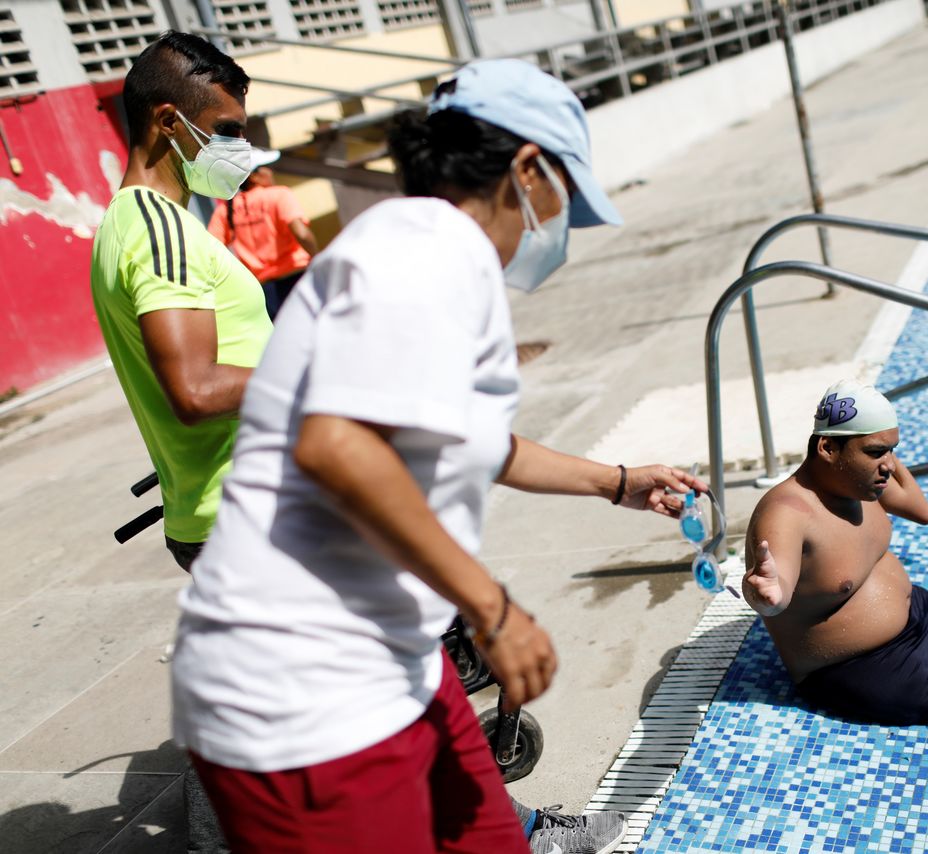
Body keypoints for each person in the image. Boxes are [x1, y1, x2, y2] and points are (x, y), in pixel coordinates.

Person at [170, 58, 710, 854]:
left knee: (493, 838)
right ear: (527, 168)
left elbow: (470, 439)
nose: (554, 223)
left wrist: (617, 482)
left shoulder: (417, 249)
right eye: (563, 195)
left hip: (392, 658)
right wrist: (491, 609)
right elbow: (337, 445)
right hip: (301, 696)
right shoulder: (426, 253)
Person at [89, 30, 271, 854]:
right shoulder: (157, 231)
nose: (241, 148)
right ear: (170, 121)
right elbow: (194, 389)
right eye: (227, 130)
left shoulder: (146, 225)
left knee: (264, 727)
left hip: (235, 511)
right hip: (245, 517)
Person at [742, 381, 928, 726]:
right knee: (924, 698)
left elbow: (923, 512)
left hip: (910, 610)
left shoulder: (860, 480)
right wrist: (765, 594)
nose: (889, 465)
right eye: (876, 451)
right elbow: (775, 592)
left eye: (892, 450)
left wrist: (882, 448)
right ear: (828, 448)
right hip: (852, 664)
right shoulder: (787, 512)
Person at [207, 148, 317, 319]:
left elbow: (210, 252)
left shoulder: (225, 210)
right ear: (253, 176)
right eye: (266, 167)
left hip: (264, 292)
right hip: (297, 279)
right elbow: (301, 233)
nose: (270, 171)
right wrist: (318, 258)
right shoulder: (279, 195)